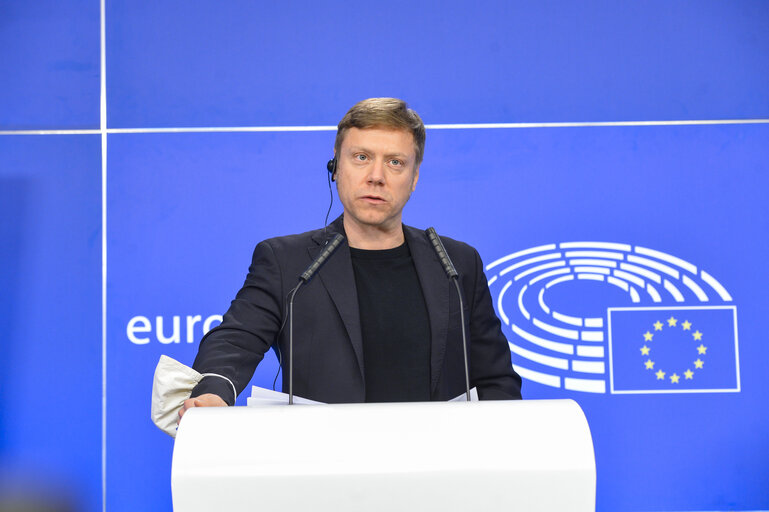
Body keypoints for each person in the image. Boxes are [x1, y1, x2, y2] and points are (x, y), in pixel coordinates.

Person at [179, 98, 521, 420]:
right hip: (326, 468)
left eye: (395, 162)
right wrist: (214, 391)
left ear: (414, 178)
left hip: (441, 468)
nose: (376, 176)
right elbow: (235, 340)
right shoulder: (288, 262)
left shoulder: (456, 264)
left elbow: (496, 381)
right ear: (336, 167)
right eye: (361, 157)